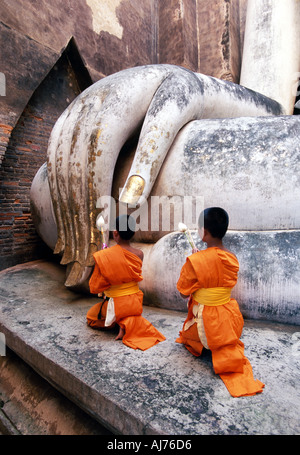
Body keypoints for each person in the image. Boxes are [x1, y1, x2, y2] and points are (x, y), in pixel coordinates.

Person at [176, 207, 264, 397]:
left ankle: (207, 345)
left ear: (204, 233)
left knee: (186, 336)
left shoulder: (195, 261)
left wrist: (194, 263)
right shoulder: (232, 258)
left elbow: (183, 293)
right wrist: (199, 261)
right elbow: (214, 268)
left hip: (206, 326)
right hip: (231, 322)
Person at [87, 214, 166, 350]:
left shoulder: (105, 255)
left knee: (91, 317)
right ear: (133, 233)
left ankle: (120, 321)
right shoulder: (139, 254)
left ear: (115, 233)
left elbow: (96, 286)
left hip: (117, 303)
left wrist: (104, 261)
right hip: (134, 302)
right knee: (120, 311)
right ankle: (127, 321)